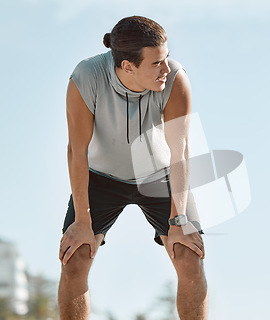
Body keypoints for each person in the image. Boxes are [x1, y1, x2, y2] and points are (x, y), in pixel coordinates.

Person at [58, 16, 207, 320]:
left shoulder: (176, 79)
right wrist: (83, 220)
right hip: (98, 178)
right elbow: (77, 151)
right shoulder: (86, 77)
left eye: (166, 58)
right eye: (156, 63)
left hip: (161, 175)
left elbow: (180, 151)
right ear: (128, 66)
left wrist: (178, 219)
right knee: (75, 259)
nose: (167, 68)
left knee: (190, 258)